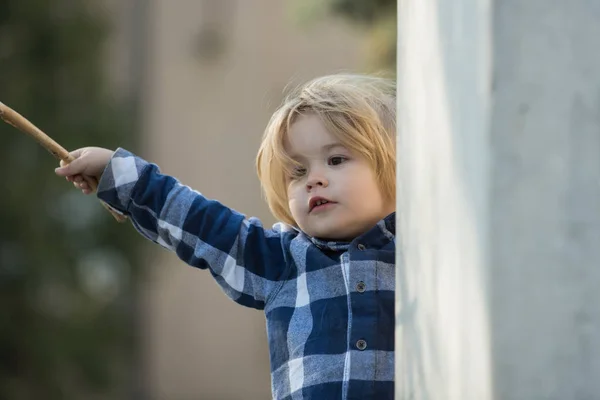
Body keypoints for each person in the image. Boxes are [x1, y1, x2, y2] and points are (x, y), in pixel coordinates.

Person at [55, 73, 397, 399]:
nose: (314, 179)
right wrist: (118, 173)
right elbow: (203, 224)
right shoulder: (281, 261)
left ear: (394, 167)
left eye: (336, 159)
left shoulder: (426, 256)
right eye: (297, 170)